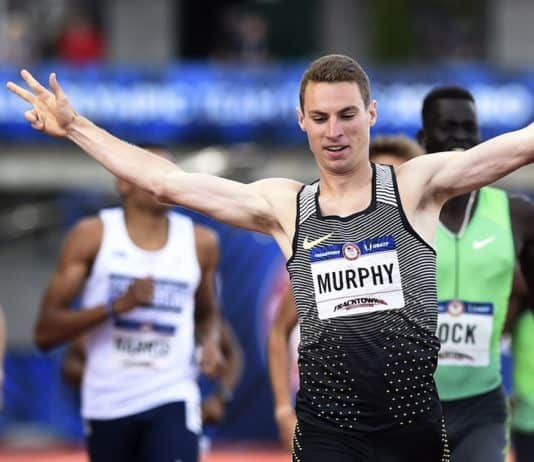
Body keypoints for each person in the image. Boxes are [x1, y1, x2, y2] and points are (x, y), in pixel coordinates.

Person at [7, 54, 534, 461]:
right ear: (302, 120)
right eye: (320, 117)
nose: (335, 132)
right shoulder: (286, 206)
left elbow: (516, 148)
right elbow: (167, 182)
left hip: (411, 426)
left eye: (347, 115)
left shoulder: (414, 186)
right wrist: (75, 127)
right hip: (328, 431)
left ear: (371, 114)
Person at [33, 145, 224, 462]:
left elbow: (206, 315)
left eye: (172, 174)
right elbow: (45, 332)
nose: (165, 181)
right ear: (123, 182)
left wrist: (211, 342)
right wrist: (114, 307)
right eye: (153, 172)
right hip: (108, 400)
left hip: (173, 394)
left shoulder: (201, 242)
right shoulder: (92, 236)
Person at [267, 134, 423, 450]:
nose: (391, 196)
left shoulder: (431, 257)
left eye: (400, 185)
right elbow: (280, 331)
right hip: (335, 422)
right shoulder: (328, 259)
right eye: (381, 182)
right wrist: (283, 408)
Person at [417, 86, 534, 462]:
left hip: (481, 406)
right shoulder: (402, 215)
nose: (460, 138)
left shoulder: (516, 215)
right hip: (411, 406)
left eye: (469, 128)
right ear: (423, 138)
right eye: (448, 127)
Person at [61, 318, 243, 426]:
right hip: (119, 416)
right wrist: (109, 382)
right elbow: (71, 364)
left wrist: (221, 397)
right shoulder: (117, 309)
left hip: (179, 418)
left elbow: (232, 353)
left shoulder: (188, 304)